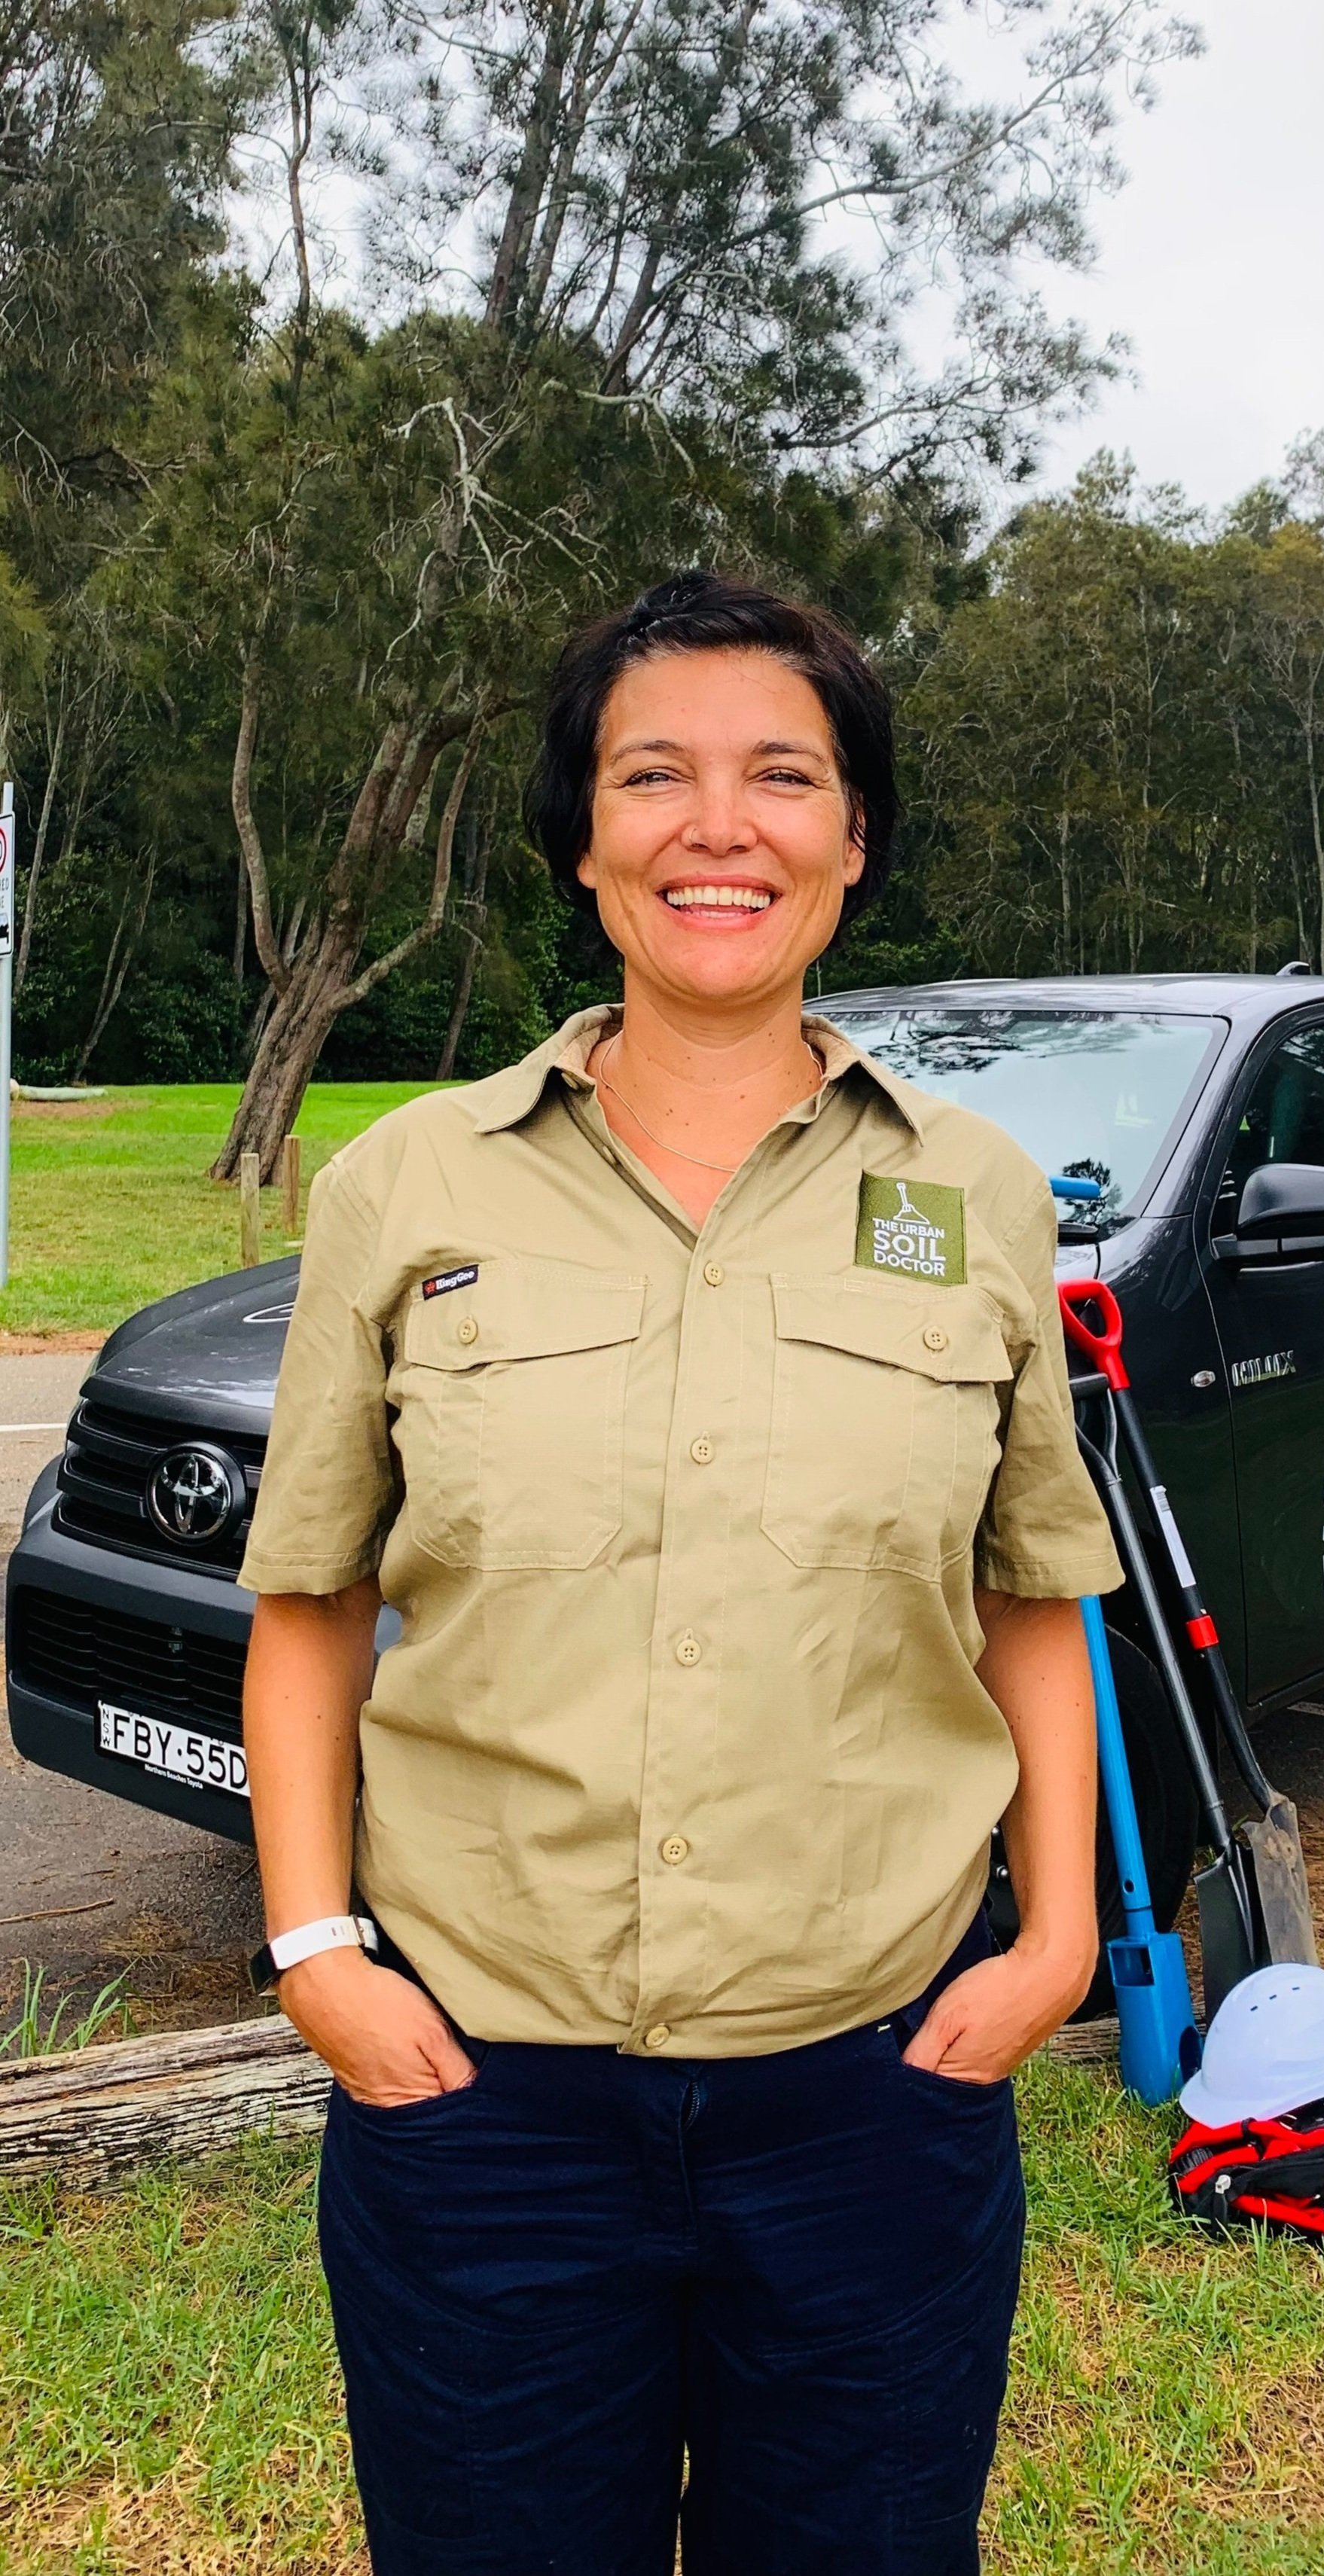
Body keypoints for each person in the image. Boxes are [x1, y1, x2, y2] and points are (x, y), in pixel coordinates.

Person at [239, 569, 1123, 2576]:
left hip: (877, 2089)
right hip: (480, 2100)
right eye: (655, 775)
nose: (718, 826)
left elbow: (1029, 1591)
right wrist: (315, 1956)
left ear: (853, 838)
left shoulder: (975, 1194)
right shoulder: (405, 1186)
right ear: (583, 837)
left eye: (781, 776)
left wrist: (1056, 1939)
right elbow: (308, 1601)